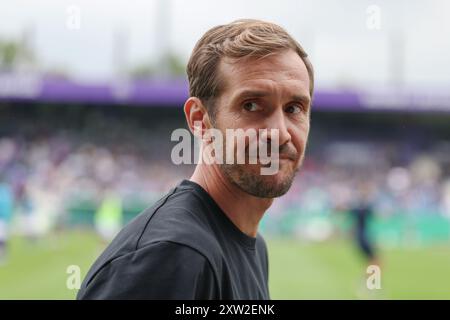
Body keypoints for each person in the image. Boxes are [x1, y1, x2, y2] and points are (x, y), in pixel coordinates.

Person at [77, 19, 314, 300]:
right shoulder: (171, 254)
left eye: (294, 108)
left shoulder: (250, 244)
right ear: (200, 120)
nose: (279, 134)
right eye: (251, 105)